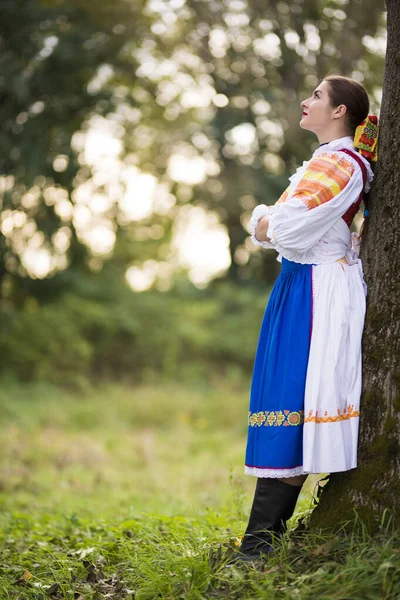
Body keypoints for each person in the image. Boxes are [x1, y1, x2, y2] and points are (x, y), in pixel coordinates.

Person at [227, 75, 378, 566]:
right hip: (301, 285)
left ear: (340, 112)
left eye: (316, 95)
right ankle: (258, 544)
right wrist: (271, 224)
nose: (305, 100)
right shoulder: (326, 160)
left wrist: (269, 221)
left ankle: (257, 548)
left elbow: (283, 229)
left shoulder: (339, 160)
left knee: (296, 401)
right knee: (285, 403)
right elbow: (274, 230)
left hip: (318, 291)